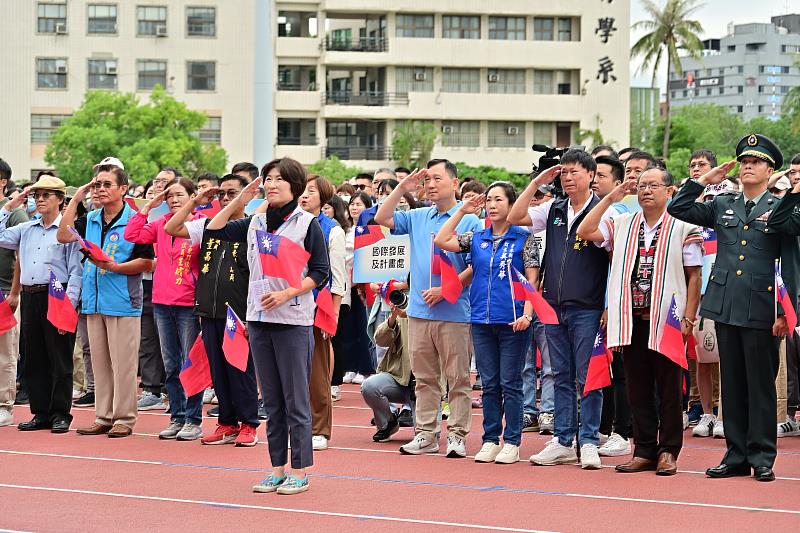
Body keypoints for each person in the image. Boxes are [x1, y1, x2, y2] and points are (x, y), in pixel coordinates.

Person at [668, 133, 799, 482]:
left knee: (759, 385)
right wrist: (701, 181)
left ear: (770, 169)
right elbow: (678, 208)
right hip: (725, 304)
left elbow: (790, 263)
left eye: (755, 162)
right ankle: (736, 454)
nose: (747, 167)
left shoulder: (780, 208)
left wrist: (786, 312)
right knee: (733, 384)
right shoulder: (723, 203)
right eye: (744, 162)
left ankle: (762, 456)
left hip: (762, 307)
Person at [206, 157, 329, 495]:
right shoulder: (255, 221)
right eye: (267, 179)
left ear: (295, 185)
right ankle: (277, 469)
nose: (271, 184)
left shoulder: (307, 224)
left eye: (279, 179)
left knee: (295, 402)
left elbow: (321, 272)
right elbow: (214, 228)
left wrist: (289, 292)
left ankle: (300, 472)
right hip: (259, 320)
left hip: (292, 321)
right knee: (272, 402)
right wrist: (241, 199)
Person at [578, 167, 702, 476]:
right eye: (642, 185)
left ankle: (669, 450)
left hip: (669, 320)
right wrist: (612, 196)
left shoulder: (684, 227)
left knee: (671, 388)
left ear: (669, 190)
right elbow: (585, 230)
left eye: (653, 185)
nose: (646, 190)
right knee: (638, 389)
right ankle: (644, 449)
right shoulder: (622, 223)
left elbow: (694, 276)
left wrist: (689, 316)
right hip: (630, 320)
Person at [508, 150, 611, 470]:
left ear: (591, 175)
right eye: (563, 173)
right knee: (560, 375)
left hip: (589, 307)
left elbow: (613, 259)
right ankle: (564, 440)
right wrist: (538, 181)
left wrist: (608, 304)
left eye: (573, 172)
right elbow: (515, 216)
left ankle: (590, 439)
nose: (566, 178)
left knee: (588, 377)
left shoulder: (605, 211)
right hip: (552, 305)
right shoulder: (553, 208)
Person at [375, 159, 482, 458]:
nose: (431, 184)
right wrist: (401, 188)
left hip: (455, 311)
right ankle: (426, 434)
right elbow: (383, 217)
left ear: (454, 182)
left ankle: (458, 435)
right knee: (425, 379)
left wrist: (447, 289)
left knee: (458, 379)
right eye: (428, 180)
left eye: (438, 178)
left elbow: (477, 264)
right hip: (420, 312)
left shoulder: (471, 219)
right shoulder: (418, 215)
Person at [435, 182, 539, 464]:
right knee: (489, 384)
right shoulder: (477, 237)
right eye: (489, 200)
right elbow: (442, 240)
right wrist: (462, 208)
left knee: (511, 382)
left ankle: (513, 442)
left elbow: (532, 280)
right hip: (480, 319)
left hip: (513, 320)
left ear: (511, 204)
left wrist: (527, 314)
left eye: (499, 200)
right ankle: (491, 439)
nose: (492, 205)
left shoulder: (524, 238)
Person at [57, 163, 155, 438]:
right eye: (96, 185)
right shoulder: (90, 218)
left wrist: (114, 267)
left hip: (123, 299)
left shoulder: (136, 220)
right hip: (93, 300)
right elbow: (63, 235)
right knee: (99, 363)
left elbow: (148, 262)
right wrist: (77, 198)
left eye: (106, 184)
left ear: (123, 189)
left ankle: (124, 418)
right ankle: (103, 415)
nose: (100, 189)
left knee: (123, 364)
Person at [165, 174, 260, 447]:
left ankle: (249, 424)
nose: (226, 199)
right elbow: (172, 227)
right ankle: (226, 423)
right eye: (223, 195)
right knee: (217, 371)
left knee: (240, 369)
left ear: (248, 196)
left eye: (233, 194)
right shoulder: (206, 226)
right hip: (209, 310)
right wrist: (196, 199)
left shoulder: (253, 227)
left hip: (238, 313)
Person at [124, 177, 205, 441]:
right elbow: (132, 235)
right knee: (170, 364)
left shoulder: (200, 225)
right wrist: (149, 206)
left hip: (188, 303)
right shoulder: (159, 225)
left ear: (193, 197)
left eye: (180, 195)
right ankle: (177, 416)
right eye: (170, 196)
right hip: (161, 302)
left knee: (188, 362)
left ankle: (193, 419)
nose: (174, 200)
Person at [0, 176, 82, 433]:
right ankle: (40, 412)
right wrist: (9, 207)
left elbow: (76, 272)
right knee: (34, 356)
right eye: (37, 195)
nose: (40, 199)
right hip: (30, 295)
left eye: (47, 194)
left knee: (59, 357)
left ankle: (60, 412)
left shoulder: (67, 232)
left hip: (56, 295)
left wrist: (69, 307)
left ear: (61, 200)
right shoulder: (26, 229)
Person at [300, 174, 346, 451]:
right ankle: (297, 424)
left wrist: (334, 315)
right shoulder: (287, 223)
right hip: (286, 305)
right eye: (301, 191)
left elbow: (337, 277)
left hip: (318, 306)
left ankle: (320, 429)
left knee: (318, 373)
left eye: (310, 191)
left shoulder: (332, 230)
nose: (304, 196)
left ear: (324, 198)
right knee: (292, 372)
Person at [361, 301, 415, 442]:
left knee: (428, 435)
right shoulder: (401, 315)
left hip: (424, 384)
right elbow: (380, 340)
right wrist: (393, 317)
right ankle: (387, 424)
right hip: (399, 378)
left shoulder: (431, 315)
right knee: (369, 386)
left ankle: (426, 428)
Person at [0, 158, 26, 427]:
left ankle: (5, 405)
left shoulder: (15, 214)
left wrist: (15, 291)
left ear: (3, 182)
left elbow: (22, 254)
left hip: (5, 289)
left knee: (5, 352)